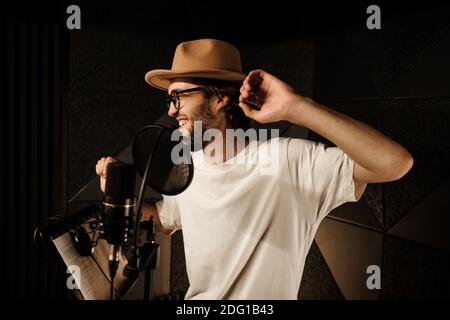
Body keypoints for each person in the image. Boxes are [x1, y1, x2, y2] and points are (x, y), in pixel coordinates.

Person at [95, 39, 413, 299]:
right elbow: (164, 219)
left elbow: (394, 163)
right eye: (169, 98)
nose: (170, 109)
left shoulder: (288, 161)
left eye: (179, 97)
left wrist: (295, 106)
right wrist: (115, 193)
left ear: (220, 98)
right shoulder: (188, 168)